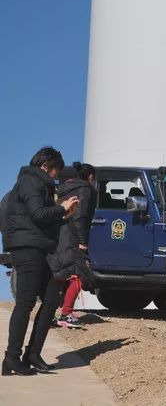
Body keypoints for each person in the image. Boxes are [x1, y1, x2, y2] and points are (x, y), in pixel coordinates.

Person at [2, 147, 79, 375]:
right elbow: (37, 214)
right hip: (27, 248)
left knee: (50, 300)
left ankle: (32, 353)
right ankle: (11, 359)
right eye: (56, 170)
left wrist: (64, 214)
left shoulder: (40, 184)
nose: (57, 175)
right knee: (25, 304)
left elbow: (41, 219)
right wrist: (61, 208)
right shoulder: (30, 181)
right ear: (46, 166)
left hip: (39, 246)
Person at [48, 162, 97, 328]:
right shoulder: (85, 190)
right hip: (73, 237)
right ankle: (67, 313)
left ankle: (49, 313)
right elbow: (80, 217)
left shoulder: (62, 189)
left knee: (62, 273)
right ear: (90, 177)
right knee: (79, 273)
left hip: (59, 235)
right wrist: (83, 241)